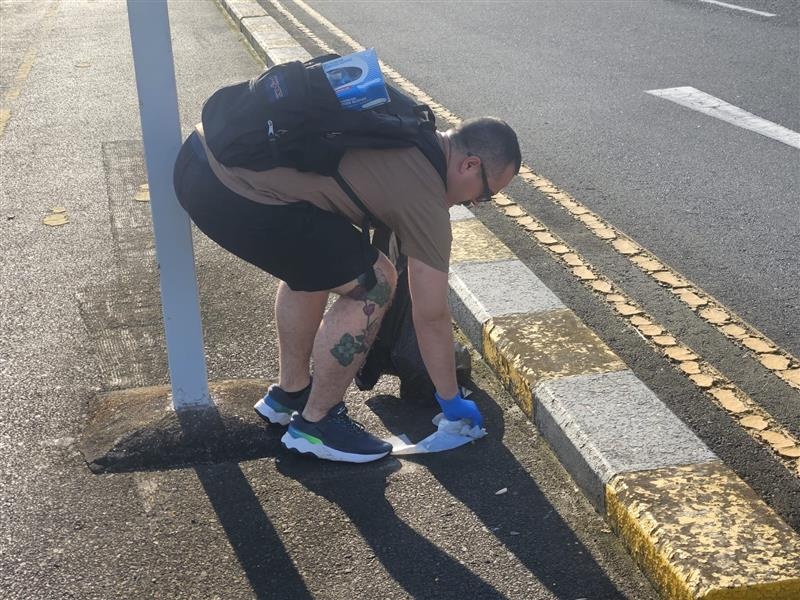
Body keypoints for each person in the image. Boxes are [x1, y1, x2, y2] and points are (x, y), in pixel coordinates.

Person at [173, 116, 521, 463]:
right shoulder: (425, 193)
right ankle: (317, 425)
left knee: (317, 261)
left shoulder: (410, 130)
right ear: (469, 165)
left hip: (200, 160)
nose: (475, 203)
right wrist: (450, 400)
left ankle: (290, 395)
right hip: (232, 191)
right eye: (485, 194)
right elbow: (431, 314)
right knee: (376, 281)